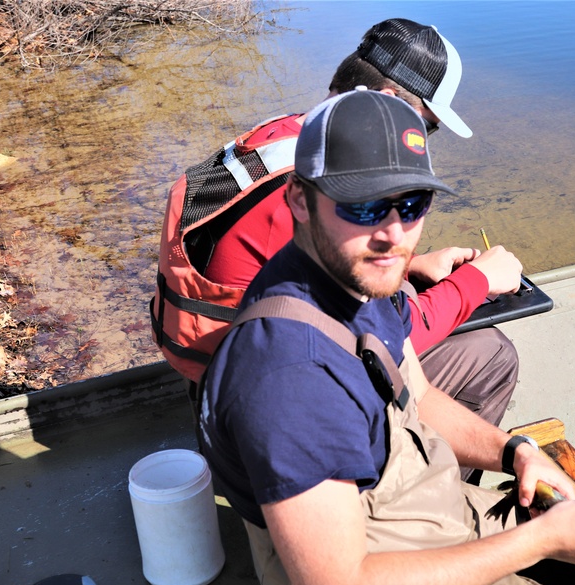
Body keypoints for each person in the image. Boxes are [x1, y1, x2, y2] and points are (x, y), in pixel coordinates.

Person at [197, 90, 575, 585]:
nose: (393, 235)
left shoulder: (357, 283)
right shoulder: (291, 377)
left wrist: (513, 451)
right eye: (363, 207)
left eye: (410, 204)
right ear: (299, 199)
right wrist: (540, 541)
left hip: (416, 511)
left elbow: (418, 394)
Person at [152, 20, 522, 452]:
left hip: (219, 362)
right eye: (427, 124)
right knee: (493, 353)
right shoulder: (316, 189)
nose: (424, 140)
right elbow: (386, 340)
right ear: (385, 101)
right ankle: (427, 489)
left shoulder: (292, 133)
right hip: (261, 398)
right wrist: (478, 280)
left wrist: (415, 265)